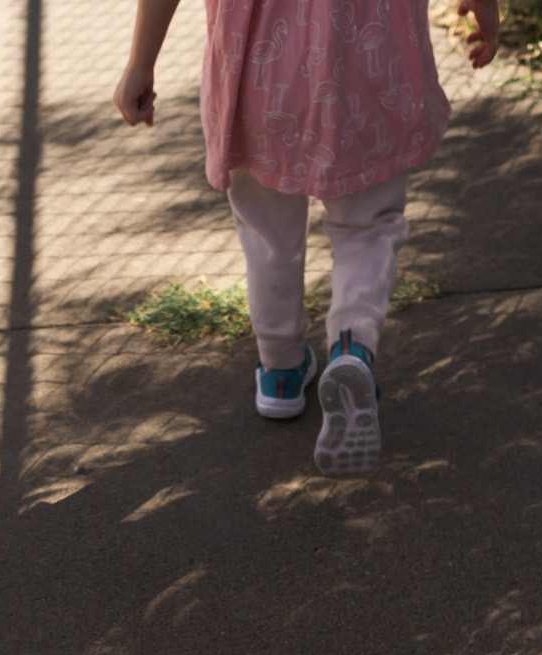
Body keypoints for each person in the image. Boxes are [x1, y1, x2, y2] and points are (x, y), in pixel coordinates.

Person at [114, 0, 500, 475]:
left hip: (259, 77)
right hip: (369, 68)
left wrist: (141, 61)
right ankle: (351, 347)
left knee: (268, 236)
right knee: (368, 224)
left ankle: (280, 371)